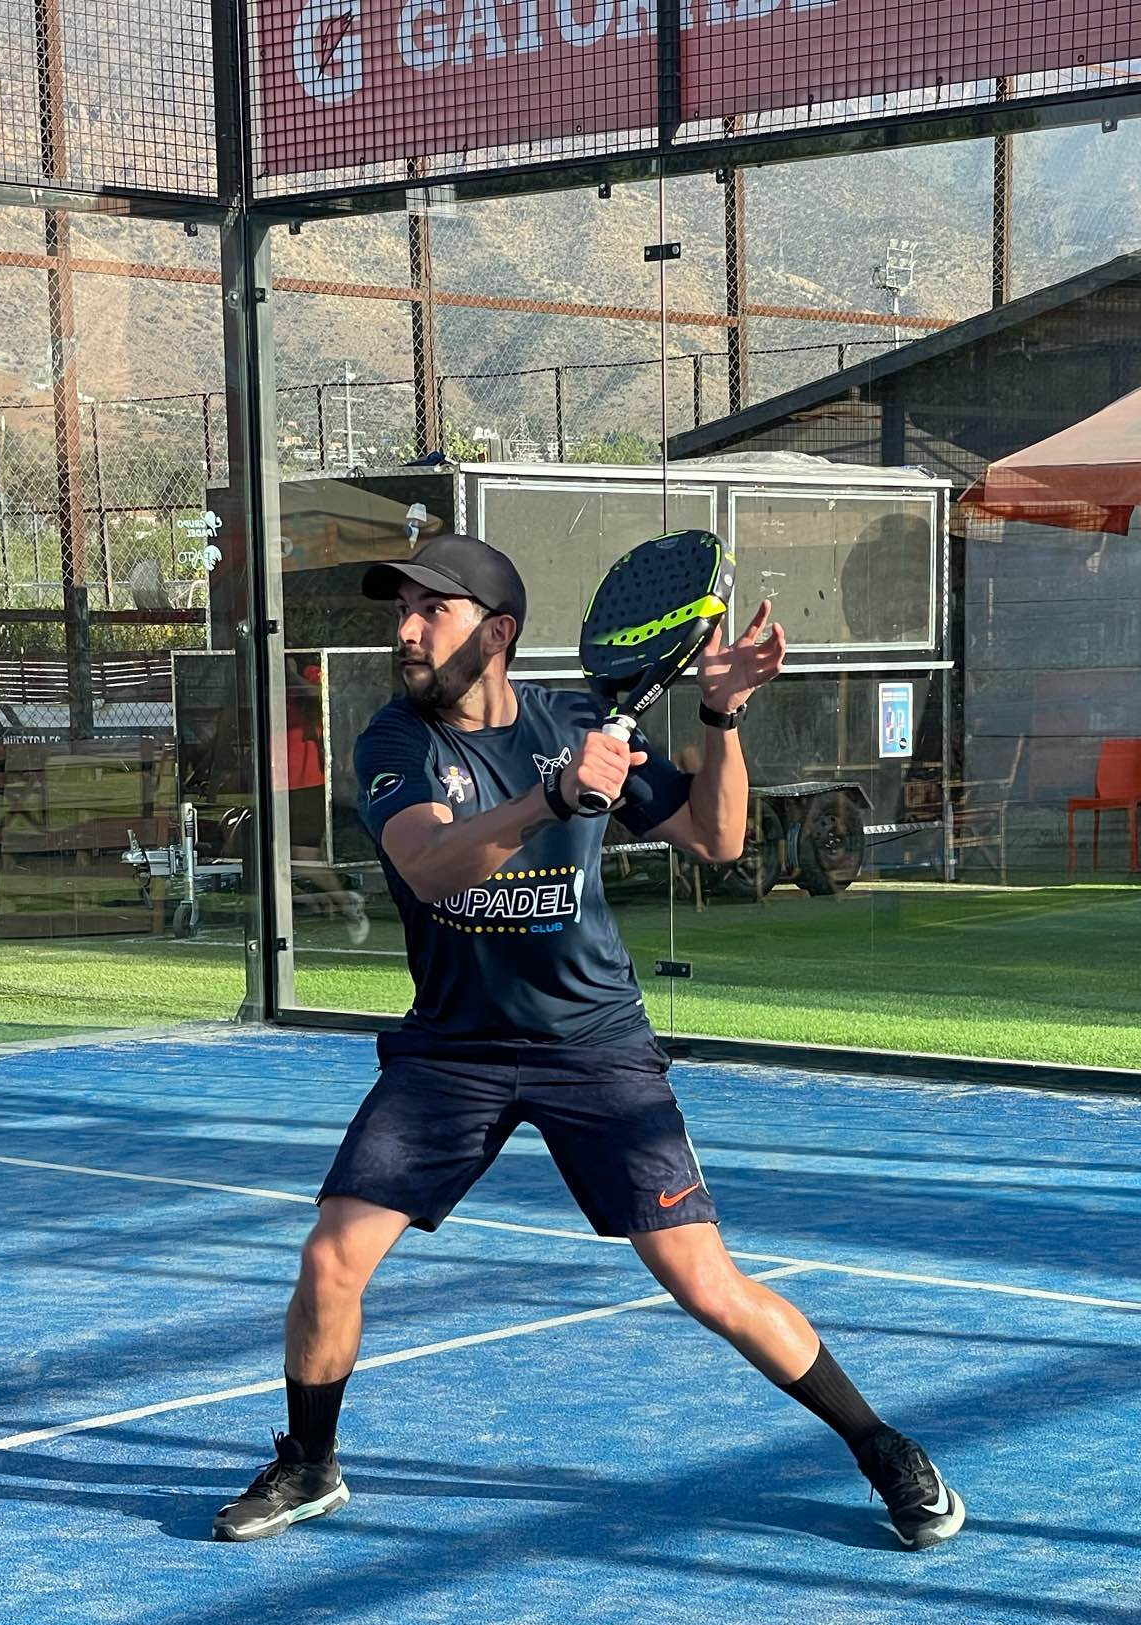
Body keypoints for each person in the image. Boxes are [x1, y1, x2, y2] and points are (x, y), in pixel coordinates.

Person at [213, 533, 967, 1551]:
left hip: (596, 1046)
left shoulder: (575, 721)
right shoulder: (395, 741)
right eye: (403, 612)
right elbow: (431, 867)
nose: (407, 631)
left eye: (432, 610)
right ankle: (309, 1465)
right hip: (453, 1053)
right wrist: (554, 798)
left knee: (706, 1283)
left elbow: (717, 840)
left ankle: (884, 1449)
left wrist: (721, 719)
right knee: (332, 1257)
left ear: (497, 633)